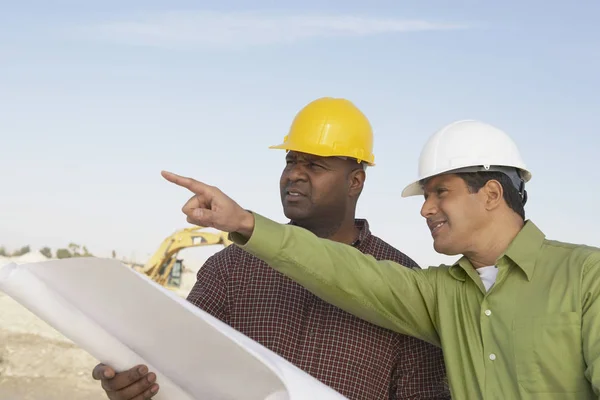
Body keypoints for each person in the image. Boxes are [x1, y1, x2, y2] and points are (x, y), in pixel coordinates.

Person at [163, 119, 600, 399]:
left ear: (490, 194)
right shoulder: (437, 293)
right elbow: (344, 270)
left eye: (439, 192)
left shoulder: (585, 276)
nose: (426, 209)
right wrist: (243, 221)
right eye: (425, 195)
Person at [93, 97, 450, 400]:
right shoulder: (232, 269)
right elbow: (177, 368)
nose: (294, 174)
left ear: (355, 181)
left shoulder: (403, 285)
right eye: (291, 161)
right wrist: (138, 385)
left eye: (314, 164)